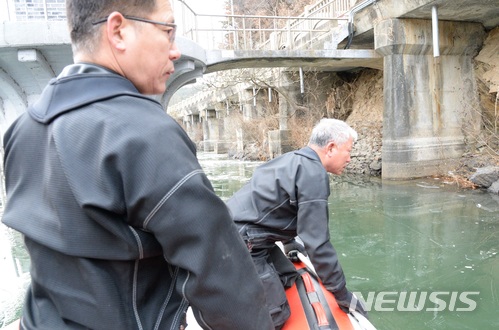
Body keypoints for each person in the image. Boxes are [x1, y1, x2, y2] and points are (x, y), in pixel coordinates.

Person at [1, 1, 274, 329]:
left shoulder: (22, 131)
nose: (174, 51)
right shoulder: (144, 132)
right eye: (168, 32)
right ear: (118, 31)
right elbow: (227, 286)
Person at [226, 118, 368, 328]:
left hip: (239, 233)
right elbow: (318, 244)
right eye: (348, 150)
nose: (350, 158)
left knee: (288, 276)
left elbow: (274, 204)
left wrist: (289, 241)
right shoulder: (313, 174)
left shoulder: (292, 159)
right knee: (276, 314)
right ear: (330, 148)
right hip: (241, 243)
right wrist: (341, 293)